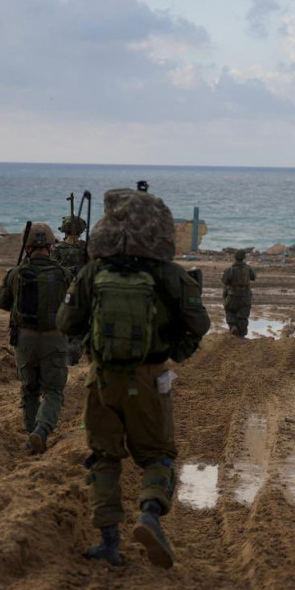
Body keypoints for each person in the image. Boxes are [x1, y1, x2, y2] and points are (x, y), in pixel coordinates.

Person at [57, 186, 210, 569]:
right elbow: (200, 323)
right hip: (150, 378)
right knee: (158, 454)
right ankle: (149, 516)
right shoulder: (169, 274)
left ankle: (109, 543)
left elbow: (65, 322)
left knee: (104, 457)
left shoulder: (95, 271)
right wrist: (176, 349)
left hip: (102, 379)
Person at [0, 223, 70, 454]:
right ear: (50, 246)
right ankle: (41, 431)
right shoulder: (63, 274)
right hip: (55, 340)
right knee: (54, 391)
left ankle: (31, 436)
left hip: (25, 341)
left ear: (26, 248)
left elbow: (1, 302)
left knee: (30, 389)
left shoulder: (16, 273)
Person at [53, 215, 89, 364]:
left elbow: (53, 270)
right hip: (80, 293)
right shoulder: (86, 248)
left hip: (62, 292)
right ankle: (72, 354)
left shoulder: (56, 249)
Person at [221, 249, 256, 337]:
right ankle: (242, 335)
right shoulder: (248, 268)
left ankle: (233, 327)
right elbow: (254, 277)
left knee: (229, 311)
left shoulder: (230, 270)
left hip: (232, 296)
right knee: (243, 315)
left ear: (235, 258)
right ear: (244, 258)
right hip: (245, 296)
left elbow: (224, 281)